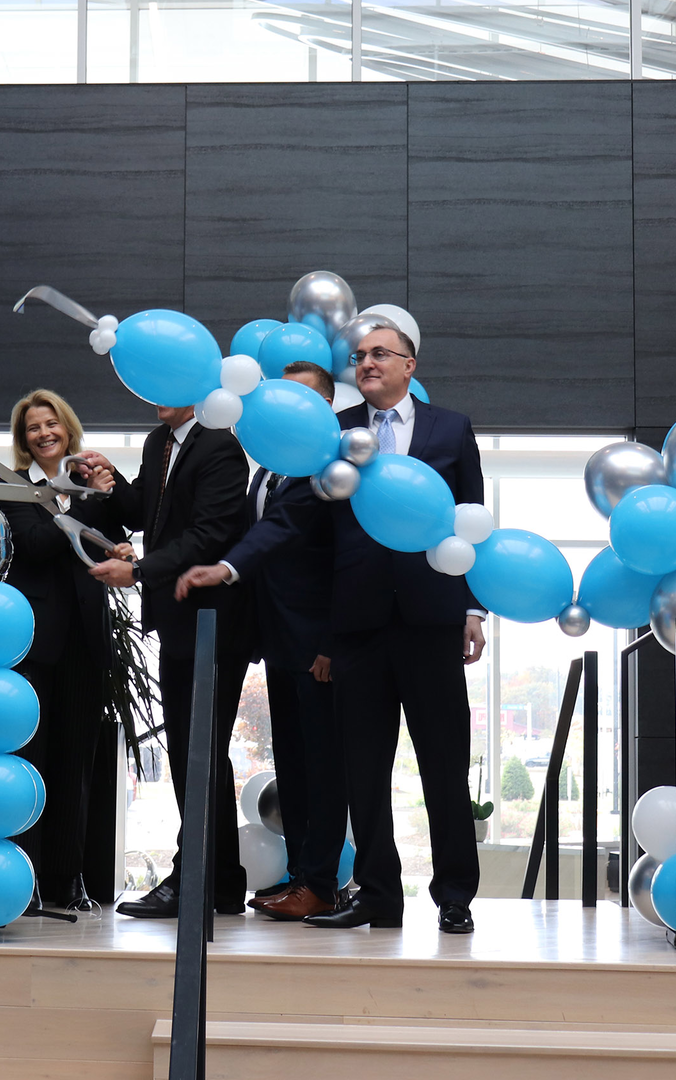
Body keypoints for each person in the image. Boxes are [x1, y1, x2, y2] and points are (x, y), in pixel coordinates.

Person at [178, 324, 487, 933]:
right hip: (357, 625)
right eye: (359, 355)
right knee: (363, 774)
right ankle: (378, 895)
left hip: (431, 620)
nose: (367, 362)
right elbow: (292, 515)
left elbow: (471, 519)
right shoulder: (336, 432)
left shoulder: (452, 428)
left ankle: (454, 896)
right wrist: (233, 565)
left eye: (380, 354)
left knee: (444, 767)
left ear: (409, 364)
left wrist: (472, 610)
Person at [76, 401, 252, 919]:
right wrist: (109, 480)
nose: (154, 394)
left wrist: (139, 571)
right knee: (194, 753)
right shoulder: (159, 443)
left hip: (214, 621)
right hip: (177, 621)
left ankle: (194, 881)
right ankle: (220, 883)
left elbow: (209, 534)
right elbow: (143, 513)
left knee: (199, 753)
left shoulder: (220, 445)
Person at [202, 360, 344, 923]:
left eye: (302, 397)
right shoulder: (265, 469)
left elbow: (344, 564)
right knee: (294, 764)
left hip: (318, 647)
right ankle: (301, 876)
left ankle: (322, 883)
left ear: (326, 408)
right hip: (276, 642)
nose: (288, 406)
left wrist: (331, 641)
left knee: (323, 769)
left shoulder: (329, 473)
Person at [0, 389, 125, 911]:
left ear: (68, 429)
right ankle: (24, 877)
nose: (44, 433)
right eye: (33, 427)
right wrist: (77, 498)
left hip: (86, 640)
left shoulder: (94, 482)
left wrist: (119, 544)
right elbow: (35, 545)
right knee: (29, 763)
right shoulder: (12, 488)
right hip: (31, 645)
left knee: (77, 763)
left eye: (51, 424)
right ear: (23, 439)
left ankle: (67, 878)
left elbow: (113, 539)